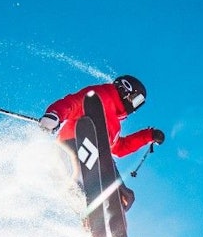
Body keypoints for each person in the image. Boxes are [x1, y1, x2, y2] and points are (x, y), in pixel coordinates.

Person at [40, 75, 164, 209]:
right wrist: (55, 114)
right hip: (71, 145)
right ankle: (88, 198)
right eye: (136, 100)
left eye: (139, 104)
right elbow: (73, 103)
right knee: (92, 176)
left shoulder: (115, 125)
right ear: (126, 89)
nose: (134, 107)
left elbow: (119, 148)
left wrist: (148, 135)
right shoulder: (102, 94)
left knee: (123, 192)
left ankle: (103, 212)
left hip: (93, 157)